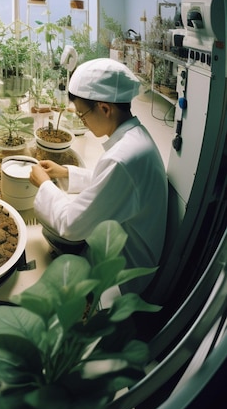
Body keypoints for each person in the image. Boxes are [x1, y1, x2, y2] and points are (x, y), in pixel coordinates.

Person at [29, 58, 168, 293]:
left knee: (50, 233)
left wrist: (44, 185)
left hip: (122, 279)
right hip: (121, 248)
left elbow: (72, 225)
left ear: (105, 108)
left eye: (82, 115)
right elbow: (111, 184)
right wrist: (65, 172)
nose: (82, 121)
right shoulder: (135, 138)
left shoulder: (123, 158)